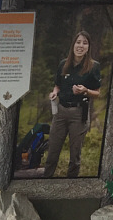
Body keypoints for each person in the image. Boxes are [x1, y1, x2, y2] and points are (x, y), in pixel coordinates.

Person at [42, 30, 101, 179]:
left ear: (88, 47)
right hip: (60, 111)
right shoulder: (64, 64)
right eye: (78, 42)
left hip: (78, 113)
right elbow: (57, 85)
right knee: (53, 150)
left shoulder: (93, 66)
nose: (80, 46)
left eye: (84, 43)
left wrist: (85, 90)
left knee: (75, 155)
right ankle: (46, 180)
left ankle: (71, 183)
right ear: (73, 45)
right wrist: (54, 92)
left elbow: (97, 92)